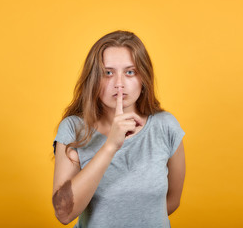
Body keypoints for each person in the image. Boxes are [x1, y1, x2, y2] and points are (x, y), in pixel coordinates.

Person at [52, 30, 186, 228]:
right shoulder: (73, 129)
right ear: (94, 79)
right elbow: (64, 213)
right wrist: (110, 146)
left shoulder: (166, 126)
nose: (119, 84)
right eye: (108, 73)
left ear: (143, 79)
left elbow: (172, 201)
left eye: (130, 72)